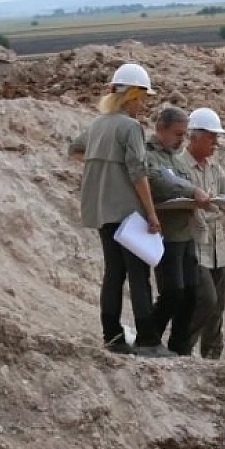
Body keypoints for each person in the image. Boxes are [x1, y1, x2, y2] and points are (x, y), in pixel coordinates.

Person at [71, 63, 163, 355]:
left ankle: (112, 336)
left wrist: (101, 166)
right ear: (131, 95)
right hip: (128, 213)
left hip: (102, 210)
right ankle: (148, 340)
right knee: (138, 275)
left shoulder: (98, 124)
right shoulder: (131, 127)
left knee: (113, 273)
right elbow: (138, 173)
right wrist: (151, 213)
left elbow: (75, 148)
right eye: (142, 97)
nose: (143, 104)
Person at [139, 106, 209, 356]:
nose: (182, 139)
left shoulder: (176, 157)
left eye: (184, 134)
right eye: (178, 134)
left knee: (190, 292)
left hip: (185, 232)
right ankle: (148, 339)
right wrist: (191, 191)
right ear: (161, 129)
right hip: (166, 235)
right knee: (172, 291)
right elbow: (159, 182)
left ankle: (179, 347)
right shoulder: (148, 155)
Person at [184, 107, 225, 359]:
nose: (215, 143)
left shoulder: (213, 167)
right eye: (211, 137)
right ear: (194, 137)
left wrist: (222, 202)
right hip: (195, 242)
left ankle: (212, 354)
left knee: (219, 303)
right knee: (206, 298)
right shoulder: (181, 166)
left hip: (217, 245)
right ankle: (183, 345)